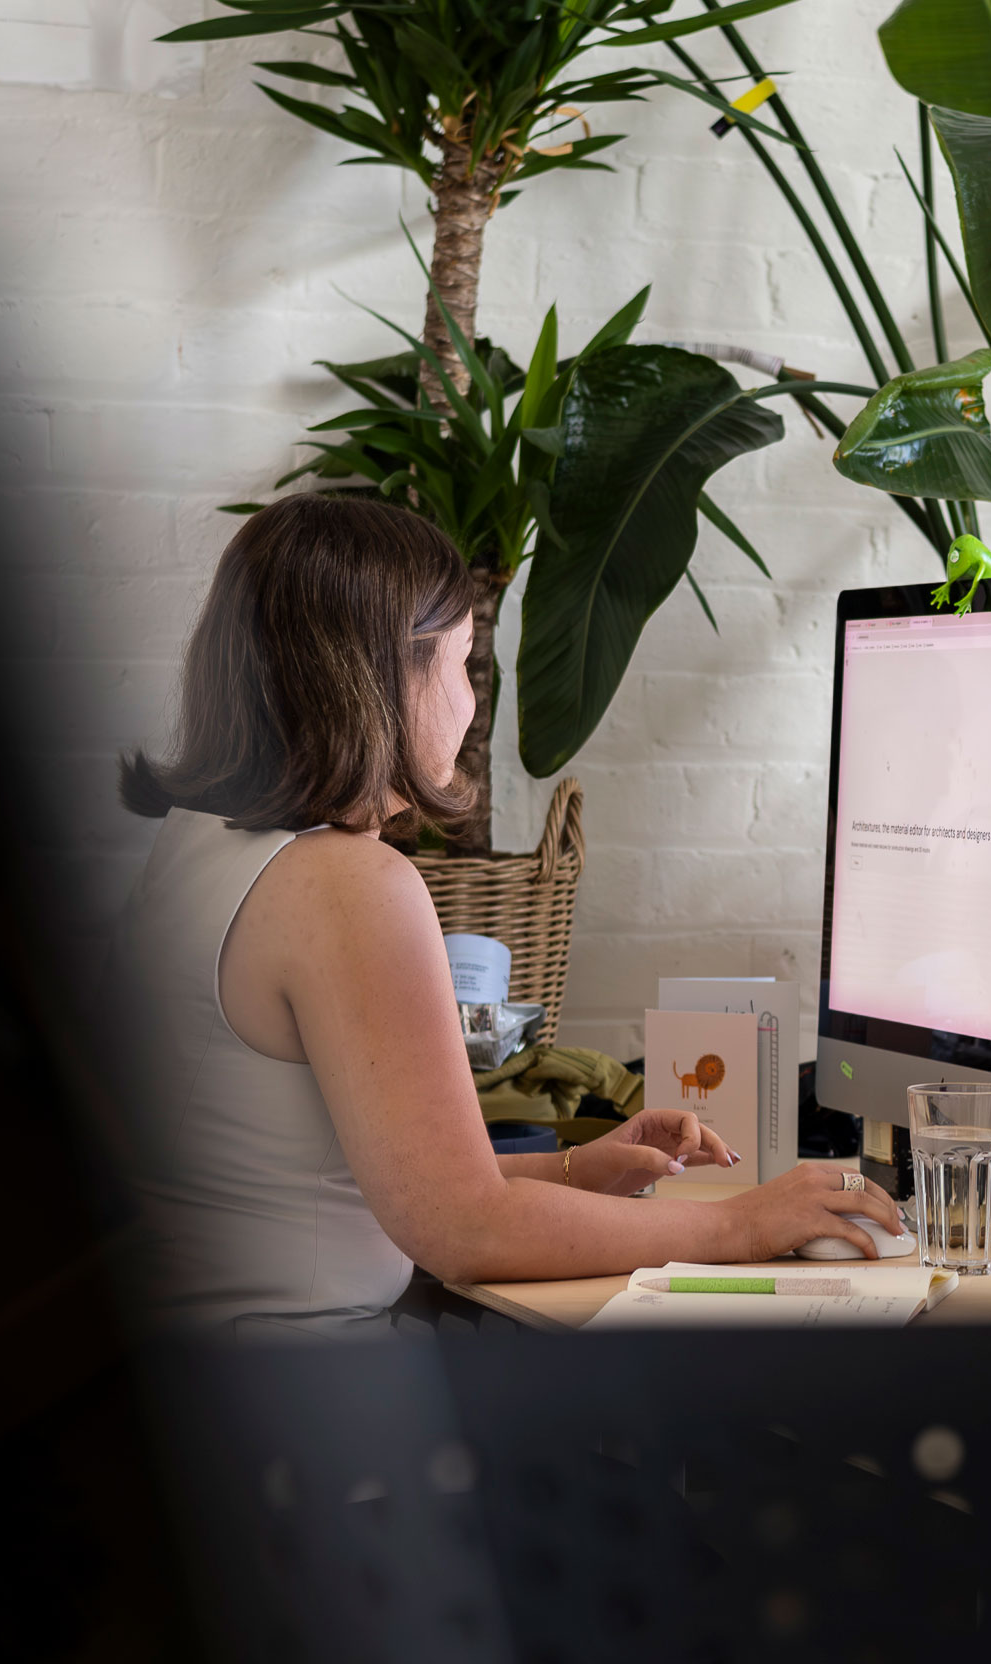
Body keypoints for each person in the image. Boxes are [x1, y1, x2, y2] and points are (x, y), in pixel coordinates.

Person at [110, 494, 905, 1332]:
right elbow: (462, 1229)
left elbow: (385, 1185)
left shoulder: (196, 850)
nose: (469, 698)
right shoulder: (347, 886)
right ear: (385, 677)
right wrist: (742, 1225)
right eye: (460, 662)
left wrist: (574, 1169)